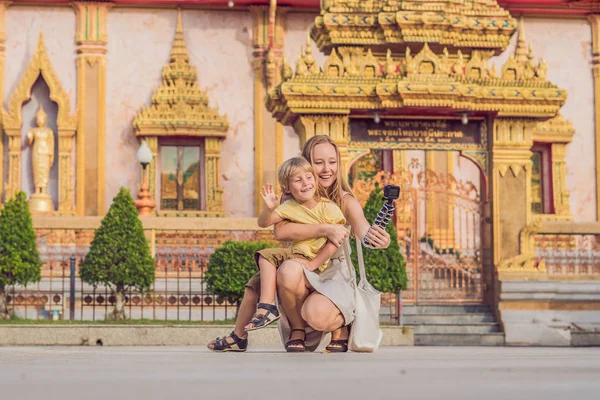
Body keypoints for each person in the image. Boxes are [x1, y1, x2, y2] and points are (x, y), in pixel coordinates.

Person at [207, 135, 390, 353]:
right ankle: (270, 332)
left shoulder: (344, 200)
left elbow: (363, 231)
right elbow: (281, 231)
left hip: (331, 270)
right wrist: (325, 228)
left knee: (315, 312)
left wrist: (379, 238)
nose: (326, 169)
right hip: (297, 262)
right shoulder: (292, 198)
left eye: (332, 162)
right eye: (318, 162)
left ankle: (341, 324)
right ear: (305, 164)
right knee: (261, 282)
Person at [244, 157, 346, 343]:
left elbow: (335, 241)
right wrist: (270, 208)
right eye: (298, 180)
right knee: (254, 282)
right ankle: (245, 329)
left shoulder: (329, 208)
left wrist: (314, 263)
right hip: (295, 256)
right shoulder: (289, 207)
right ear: (287, 188)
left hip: (311, 258)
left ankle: (267, 306)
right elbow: (264, 222)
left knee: (266, 256)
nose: (306, 183)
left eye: (309, 177)